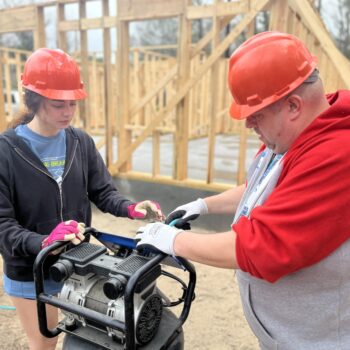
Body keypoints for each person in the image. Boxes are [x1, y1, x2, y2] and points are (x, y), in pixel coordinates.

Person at [135, 31, 350, 349]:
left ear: (292, 105)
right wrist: (204, 205)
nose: (249, 125)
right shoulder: (295, 134)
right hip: (286, 335)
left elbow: (258, 247)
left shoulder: (336, 155)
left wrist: (173, 240)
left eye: (256, 115)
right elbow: (262, 188)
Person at [0, 48, 164, 350]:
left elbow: (103, 192)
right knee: (45, 344)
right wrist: (44, 241)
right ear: (34, 100)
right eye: (57, 104)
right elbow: (3, 225)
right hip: (30, 270)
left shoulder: (80, 141)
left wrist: (132, 208)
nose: (67, 112)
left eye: (72, 103)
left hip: (77, 264)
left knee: (85, 334)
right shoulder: (6, 151)